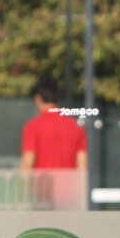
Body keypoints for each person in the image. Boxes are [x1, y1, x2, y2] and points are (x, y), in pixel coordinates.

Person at [20, 77, 87, 209]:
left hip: (42, 196)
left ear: (38, 98)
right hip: (69, 196)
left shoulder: (32, 127)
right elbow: (82, 167)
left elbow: (28, 162)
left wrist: (21, 196)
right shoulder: (75, 127)